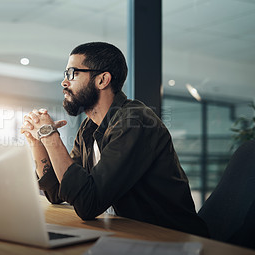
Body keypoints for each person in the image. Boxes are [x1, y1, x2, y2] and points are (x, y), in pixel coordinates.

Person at [21, 42, 209, 237]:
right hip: (130, 235)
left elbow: (88, 204)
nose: (64, 82)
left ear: (102, 80)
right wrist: (37, 142)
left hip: (171, 240)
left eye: (73, 73)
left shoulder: (134, 121)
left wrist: (50, 136)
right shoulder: (88, 127)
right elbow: (58, 192)